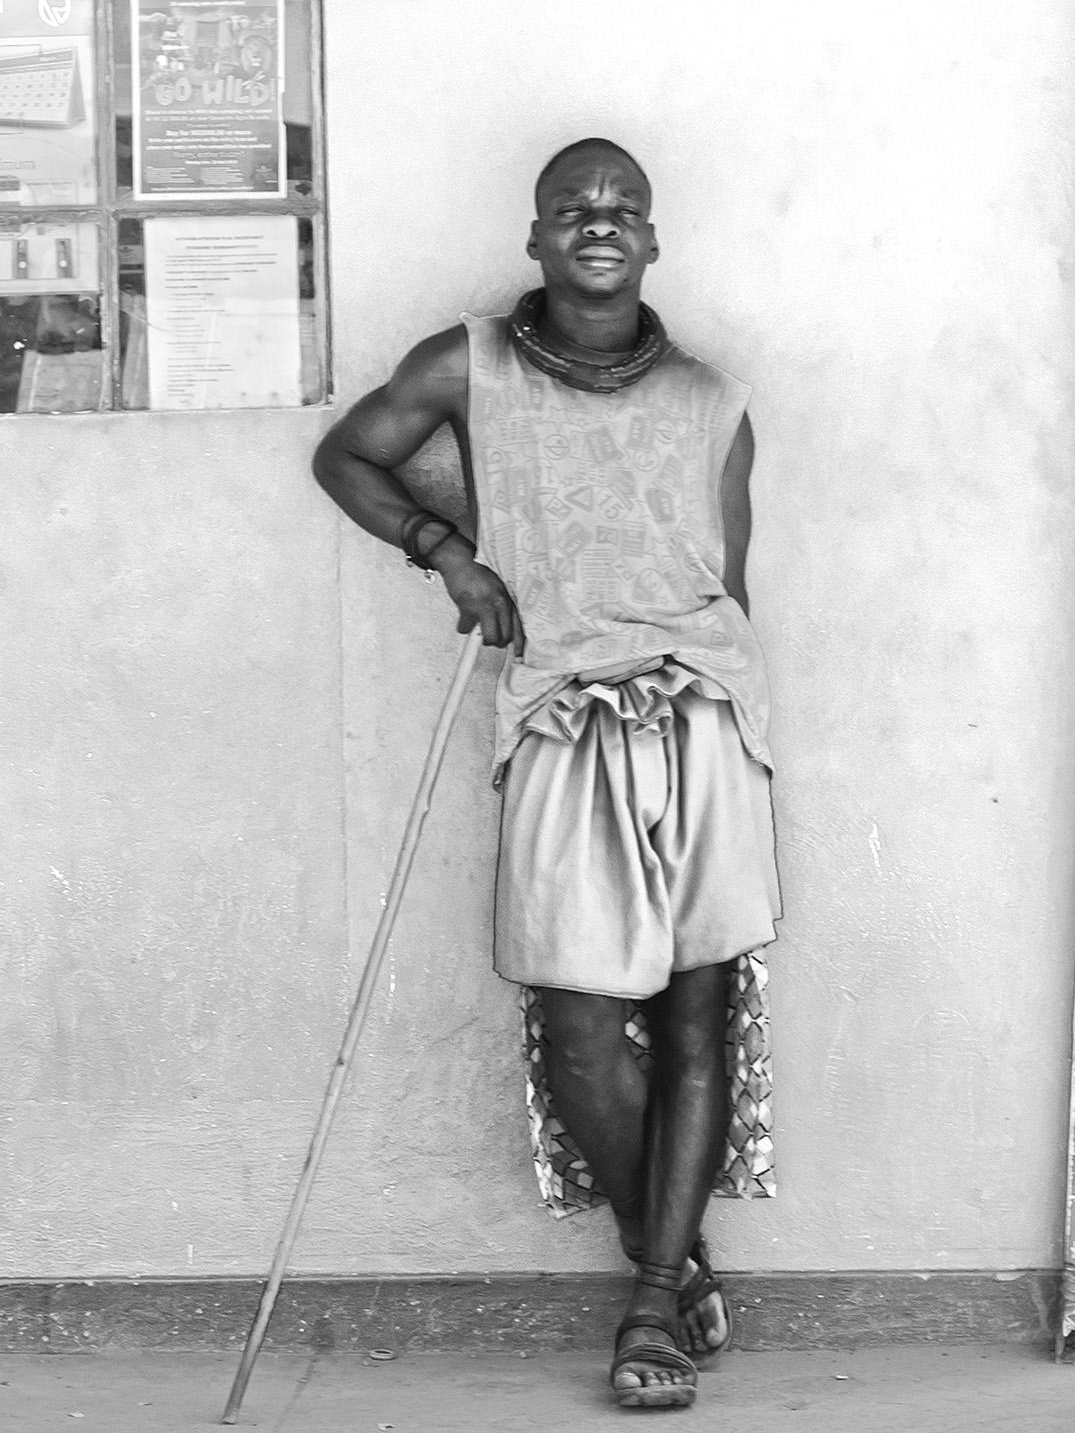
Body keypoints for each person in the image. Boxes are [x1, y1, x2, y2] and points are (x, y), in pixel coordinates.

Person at [312, 138, 779, 1408]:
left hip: (702, 716)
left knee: (694, 1016)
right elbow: (345, 458)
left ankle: (650, 1306)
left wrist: (734, 730)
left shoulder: (713, 400)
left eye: (624, 208)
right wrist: (445, 551)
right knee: (580, 1031)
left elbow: (728, 587)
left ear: (653, 241)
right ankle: (667, 1249)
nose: (599, 221)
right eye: (574, 206)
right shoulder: (465, 363)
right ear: (536, 236)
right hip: (560, 715)